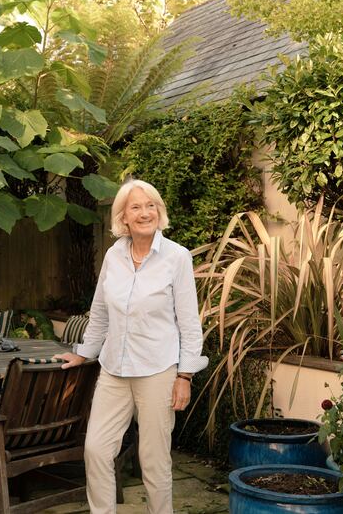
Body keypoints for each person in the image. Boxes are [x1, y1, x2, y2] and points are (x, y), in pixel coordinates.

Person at [54, 179, 208, 514]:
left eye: (150, 205)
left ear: (159, 211)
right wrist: (84, 352)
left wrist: (185, 375)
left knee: (153, 460)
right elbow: (100, 312)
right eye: (135, 207)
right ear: (123, 216)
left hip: (158, 370)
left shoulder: (177, 257)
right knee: (96, 449)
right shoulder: (113, 255)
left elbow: (189, 324)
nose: (144, 213)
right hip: (113, 369)